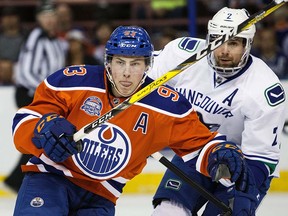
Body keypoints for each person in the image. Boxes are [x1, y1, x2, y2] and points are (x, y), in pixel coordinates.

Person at [12, 26, 248, 215]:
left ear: (147, 65)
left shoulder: (167, 107)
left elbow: (201, 145)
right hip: (51, 178)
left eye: (135, 64)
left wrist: (220, 153)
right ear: (108, 62)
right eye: (120, 62)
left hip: (101, 196)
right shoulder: (73, 81)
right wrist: (44, 128)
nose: (126, 72)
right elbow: (25, 119)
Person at [150, 7, 286, 216]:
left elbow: (261, 158)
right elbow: (137, 78)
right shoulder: (183, 55)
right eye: (218, 40)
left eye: (232, 43)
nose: (223, 50)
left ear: (247, 44)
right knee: (167, 212)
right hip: (195, 151)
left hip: (243, 166)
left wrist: (243, 193)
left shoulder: (264, 88)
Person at [4, 1, 66, 192]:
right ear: (39, 19)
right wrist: (48, 93)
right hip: (30, 94)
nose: (49, 20)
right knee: (38, 137)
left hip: (43, 95)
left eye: (52, 15)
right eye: (45, 16)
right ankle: (17, 181)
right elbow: (27, 72)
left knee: (42, 137)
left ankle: (18, 180)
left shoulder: (56, 41)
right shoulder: (36, 38)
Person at [0, 6, 25, 85]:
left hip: (20, 67)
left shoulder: (26, 36)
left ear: (18, 18)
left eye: (12, 16)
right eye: (6, 16)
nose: (9, 19)